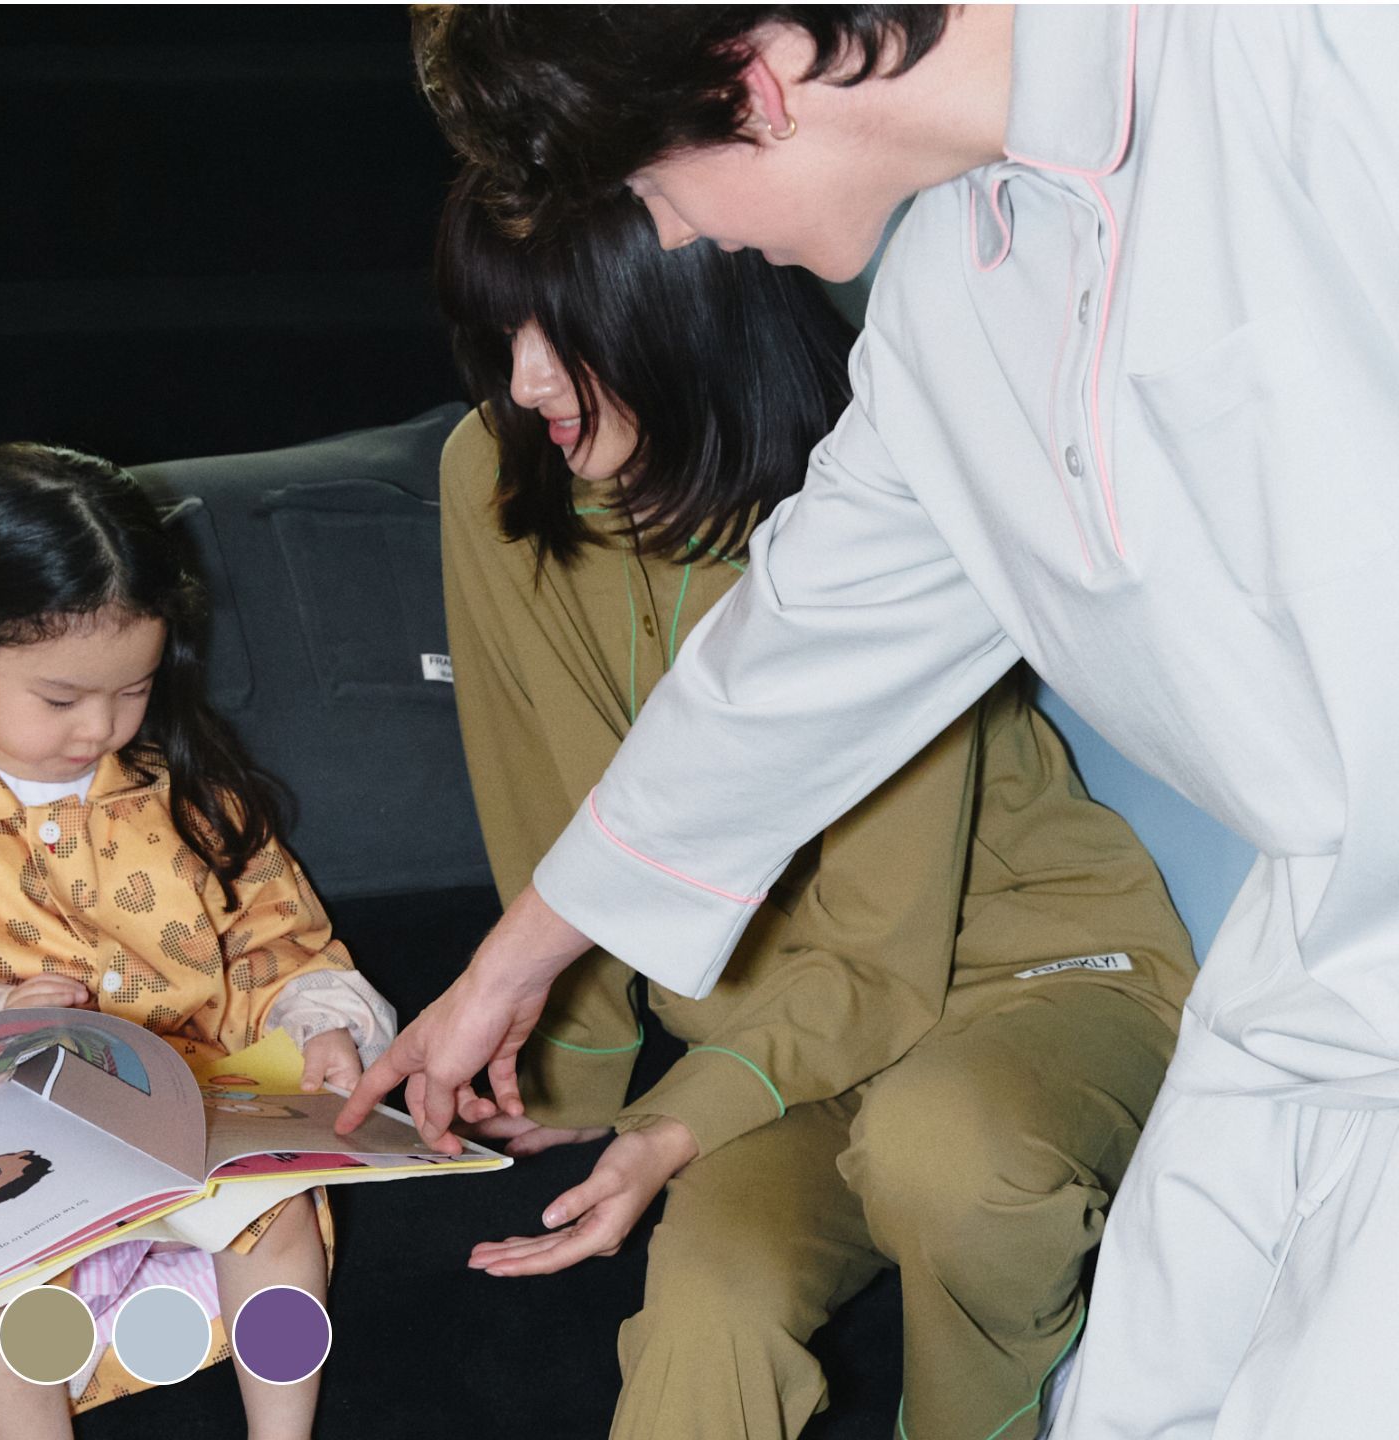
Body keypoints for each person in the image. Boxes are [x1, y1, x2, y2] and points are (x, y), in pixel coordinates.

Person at [339, 7, 1399, 1437]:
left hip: (1322, 952)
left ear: (752, 83)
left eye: (649, 189)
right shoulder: (952, 294)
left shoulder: (1313, 52)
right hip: (1313, 966)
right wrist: (511, 970)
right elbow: (787, 662)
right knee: (1135, 1400)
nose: (675, 238)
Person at [431, 170, 1193, 1439]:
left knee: (941, 1153)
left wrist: (680, 1120)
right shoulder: (499, 473)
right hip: (788, 1028)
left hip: (1032, 981)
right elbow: (542, 791)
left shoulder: (878, 502)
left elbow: (886, 951)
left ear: (684, 305)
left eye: (564, 329)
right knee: (710, 1310)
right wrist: (566, 1066)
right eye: (500, 327)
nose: (525, 380)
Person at [0, 442, 397, 1440]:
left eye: (135, 689)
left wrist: (323, 1026)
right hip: (2, 1161)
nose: (101, 728)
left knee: (278, 1223)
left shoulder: (189, 794)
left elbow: (285, 946)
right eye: (62, 699)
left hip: (189, 1126)